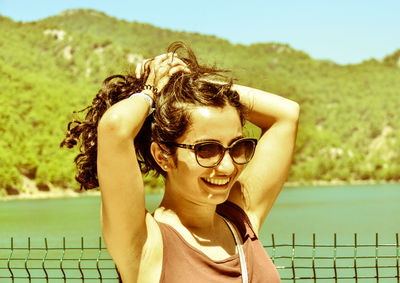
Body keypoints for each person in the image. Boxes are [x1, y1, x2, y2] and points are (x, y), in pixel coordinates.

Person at [62, 41, 300, 282]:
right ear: (162, 156)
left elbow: (287, 114)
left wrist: (185, 82)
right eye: (207, 150)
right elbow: (115, 126)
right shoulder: (146, 244)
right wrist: (150, 91)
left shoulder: (240, 220)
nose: (228, 166)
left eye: (237, 147)